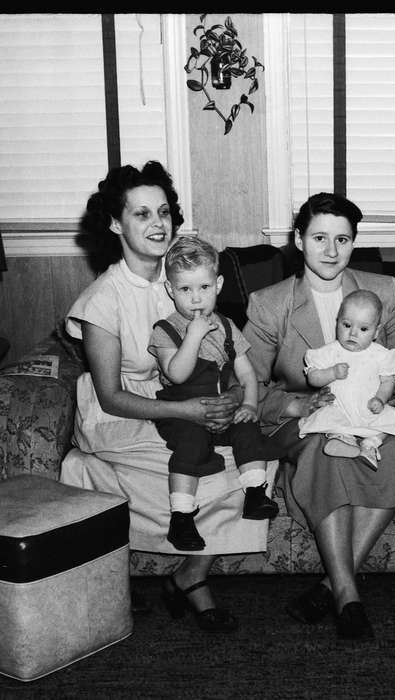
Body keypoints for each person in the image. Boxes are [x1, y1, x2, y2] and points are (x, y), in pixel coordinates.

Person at [60, 161, 272, 633]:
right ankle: (191, 580)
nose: (157, 224)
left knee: (256, 456)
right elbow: (111, 396)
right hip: (123, 415)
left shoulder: (184, 279)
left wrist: (235, 396)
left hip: (183, 408)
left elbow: (227, 354)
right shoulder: (103, 299)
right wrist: (189, 410)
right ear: (116, 224)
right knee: (211, 470)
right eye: (141, 214)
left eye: (163, 212)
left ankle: (188, 574)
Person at [242, 192, 395, 641]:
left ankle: (331, 587)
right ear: (299, 240)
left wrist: (388, 401)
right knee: (328, 452)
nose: (330, 251)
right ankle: (348, 595)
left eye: (342, 239)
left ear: (353, 243)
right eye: (319, 237)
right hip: (306, 418)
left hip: (369, 415)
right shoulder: (270, 303)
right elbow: (244, 384)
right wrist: (292, 404)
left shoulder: (383, 292)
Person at [149, 235, 281, 552]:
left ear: (218, 284)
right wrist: (193, 337)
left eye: (204, 288)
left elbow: (248, 372)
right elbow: (176, 373)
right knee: (191, 445)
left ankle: (254, 494)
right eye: (185, 289)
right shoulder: (164, 329)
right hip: (184, 411)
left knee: (248, 428)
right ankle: (181, 517)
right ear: (170, 290)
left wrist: (248, 404)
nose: (196, 299)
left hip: (224, 404)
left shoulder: (226, 325)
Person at [299, 289, 395, 469]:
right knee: (333, 423)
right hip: (341, 407)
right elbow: (313, 378)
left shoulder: (381, 355)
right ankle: (343, 442)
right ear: (337, 322)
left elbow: (388, 381)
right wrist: (331, 373)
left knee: (390, 422)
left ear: (376, 332)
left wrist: (381, 399)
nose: (353, 334)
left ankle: (371, 443)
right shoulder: (330, 352)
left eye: (363, 329)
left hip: (369, 408)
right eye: (346, 325)